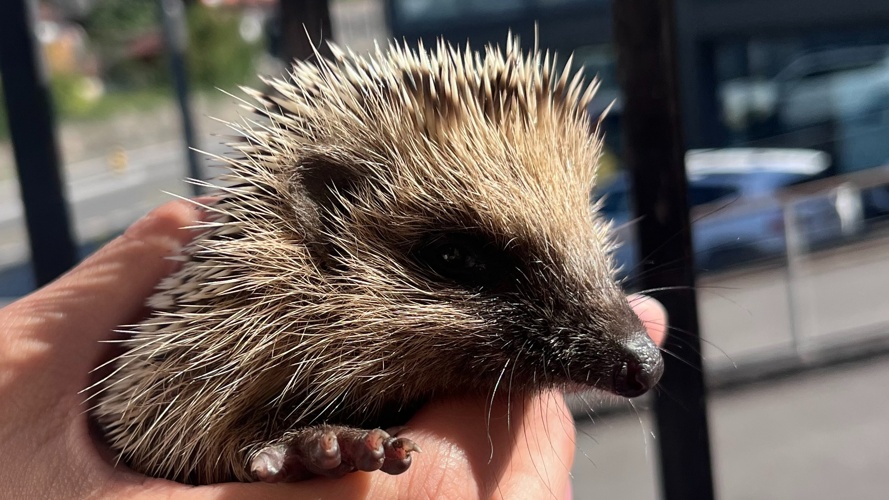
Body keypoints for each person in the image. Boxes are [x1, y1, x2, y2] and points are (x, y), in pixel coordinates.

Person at [0, 200, 667, 499]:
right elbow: (152, 432)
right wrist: (265, 445)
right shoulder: (243, 328)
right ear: (320, 222)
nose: (627, 355)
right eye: (459, 259)